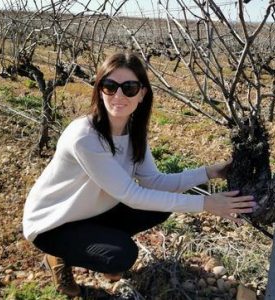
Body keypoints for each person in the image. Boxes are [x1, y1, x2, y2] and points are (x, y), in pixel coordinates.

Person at [22, 52, 256, 297]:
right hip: (53, 223)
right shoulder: (85, 137)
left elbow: (154, 182)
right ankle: (60, 255)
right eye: (110, 86)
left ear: (142, 93)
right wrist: (206, 203)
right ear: (99, 89)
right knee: (122, 256)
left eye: (129, 87)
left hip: (87, 211)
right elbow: (131, 195)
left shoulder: (134, 132)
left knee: (159, 206)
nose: (119, 95)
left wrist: (210, 172)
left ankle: (95, 246)